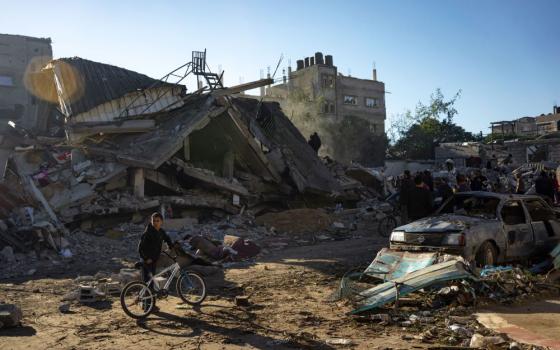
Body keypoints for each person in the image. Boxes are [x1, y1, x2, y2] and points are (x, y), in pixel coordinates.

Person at [138, 213, 175, 290]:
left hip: (154, 259)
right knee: (148, 282)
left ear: (161, 222)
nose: (155, 223)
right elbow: (140, 248)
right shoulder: (148, 233)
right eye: (153, 221)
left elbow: (167, 239)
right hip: (147, 260)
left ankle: (150, 299)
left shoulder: (161, 232)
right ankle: (146, 301)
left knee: (151, 282)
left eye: (157, 221)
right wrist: (146, 259)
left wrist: (172, 247)